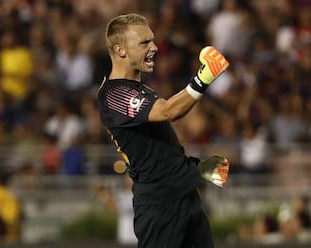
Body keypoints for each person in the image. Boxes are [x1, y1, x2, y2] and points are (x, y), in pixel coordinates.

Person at [98, 13, 230, 248]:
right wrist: (204, 76)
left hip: (183, 194)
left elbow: (154, 147)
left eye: (152, 40)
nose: (155, 47)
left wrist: (194, 169)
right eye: (144, 42)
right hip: (159, 205)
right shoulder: (114, 95)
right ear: (121, 51)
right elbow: (169, 111)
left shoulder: (140, 89)